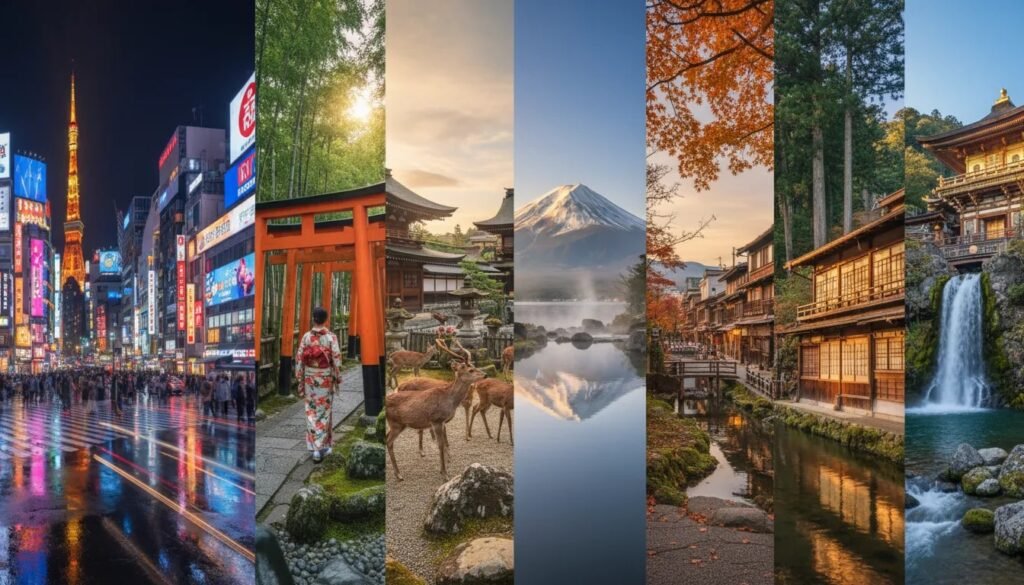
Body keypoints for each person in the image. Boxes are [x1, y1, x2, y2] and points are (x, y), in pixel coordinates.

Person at [294, 306, 342, 463]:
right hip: (325, 379)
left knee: (311, 411)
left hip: (310, 379)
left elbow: (299, 359)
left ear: (313, 318)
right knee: (325, 411)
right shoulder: (330, 337)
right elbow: (336, 359)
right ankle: (323, 446)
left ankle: (315, 449)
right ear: (326, 319)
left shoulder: (306, 337)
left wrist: (300, 378)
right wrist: (337, 377)